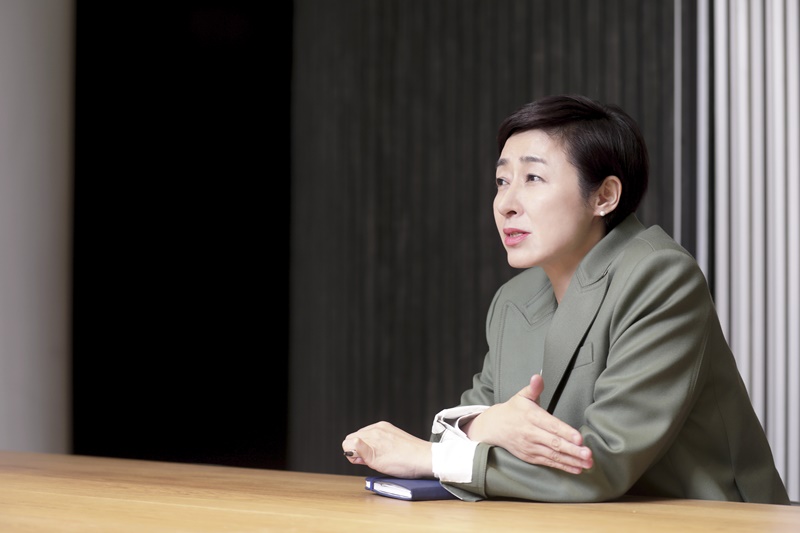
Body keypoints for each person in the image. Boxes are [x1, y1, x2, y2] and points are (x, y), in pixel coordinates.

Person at [341, 95, 790, 504]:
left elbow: (600, 462)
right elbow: (475, 420)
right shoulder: (513, 300)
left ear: (604, 196)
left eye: (533, 177)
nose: (506, 203)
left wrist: (430, 456)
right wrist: (481, 425)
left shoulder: (660, 276)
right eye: (501, 181)